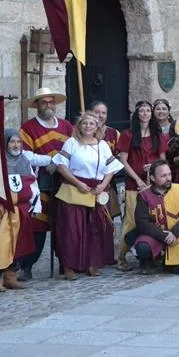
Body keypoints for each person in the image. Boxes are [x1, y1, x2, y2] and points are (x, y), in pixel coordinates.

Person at [52, 111, 123, 280]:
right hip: (74, 190)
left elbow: (111, 168)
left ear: (97, 126)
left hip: (95, 191)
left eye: (92, 123)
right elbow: (61, 166)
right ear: (79, 126)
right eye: (85, 123)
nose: (88, 126)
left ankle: (92, 263)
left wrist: (103, 185)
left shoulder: (102, 145)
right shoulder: (71, 143)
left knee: (95, 229)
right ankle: (69, 266)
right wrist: (78, 183)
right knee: (72, 230)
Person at [18, 87, 74, 281]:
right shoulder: (28, 128)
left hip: (64, 182)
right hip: (39, 183)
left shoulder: (67, 126)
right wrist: (49, 161)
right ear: (37, 106)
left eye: (51, 102)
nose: (48, 105)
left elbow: (74, 151)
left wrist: (57, 162)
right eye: (44, 102)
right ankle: (27, 266)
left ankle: (65, 263)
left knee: (64, 224)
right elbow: (25, 156)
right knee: (37, 227)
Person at [0, 129, 43, 292]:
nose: (16, 145)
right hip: (0, 210)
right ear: (5, 143)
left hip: (22, 210)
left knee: (18, 243)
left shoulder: (24, 161)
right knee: (2, 243)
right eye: (12, 142)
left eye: (18, 142)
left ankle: (10, 275)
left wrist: (36, 204)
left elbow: (32, 184)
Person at [115, 100, 168, 271]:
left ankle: (151, 255)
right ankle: (121, 257)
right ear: (137, 114)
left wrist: (153, 166)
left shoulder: (158, 135)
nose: (145, 113)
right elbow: (123, 160)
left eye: (147, 110)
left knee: (155, 219)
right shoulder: (128, 134)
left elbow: (162, 160)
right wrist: (137, 179)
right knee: (130, 220)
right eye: (142, 111)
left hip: (153, 184)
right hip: (133, 184)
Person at [126, 160, 179, 275]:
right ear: (153, 178)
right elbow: (142, 222)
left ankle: (165, 260)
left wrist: (174, 233)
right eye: (163, 176)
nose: (168, 178)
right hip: (154, 235)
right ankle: (146, 261)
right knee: (143, 248)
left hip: (175, 236)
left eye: (169, 174)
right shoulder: (144, 195)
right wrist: (163, 235)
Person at [90, 100, 122, 219]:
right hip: (87, 183)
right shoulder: (84, 133)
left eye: (104, 113)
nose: (100, 115)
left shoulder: (115, 134)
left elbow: (119, 159)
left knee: (106, 219)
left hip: (108, 183)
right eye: (97, 112)